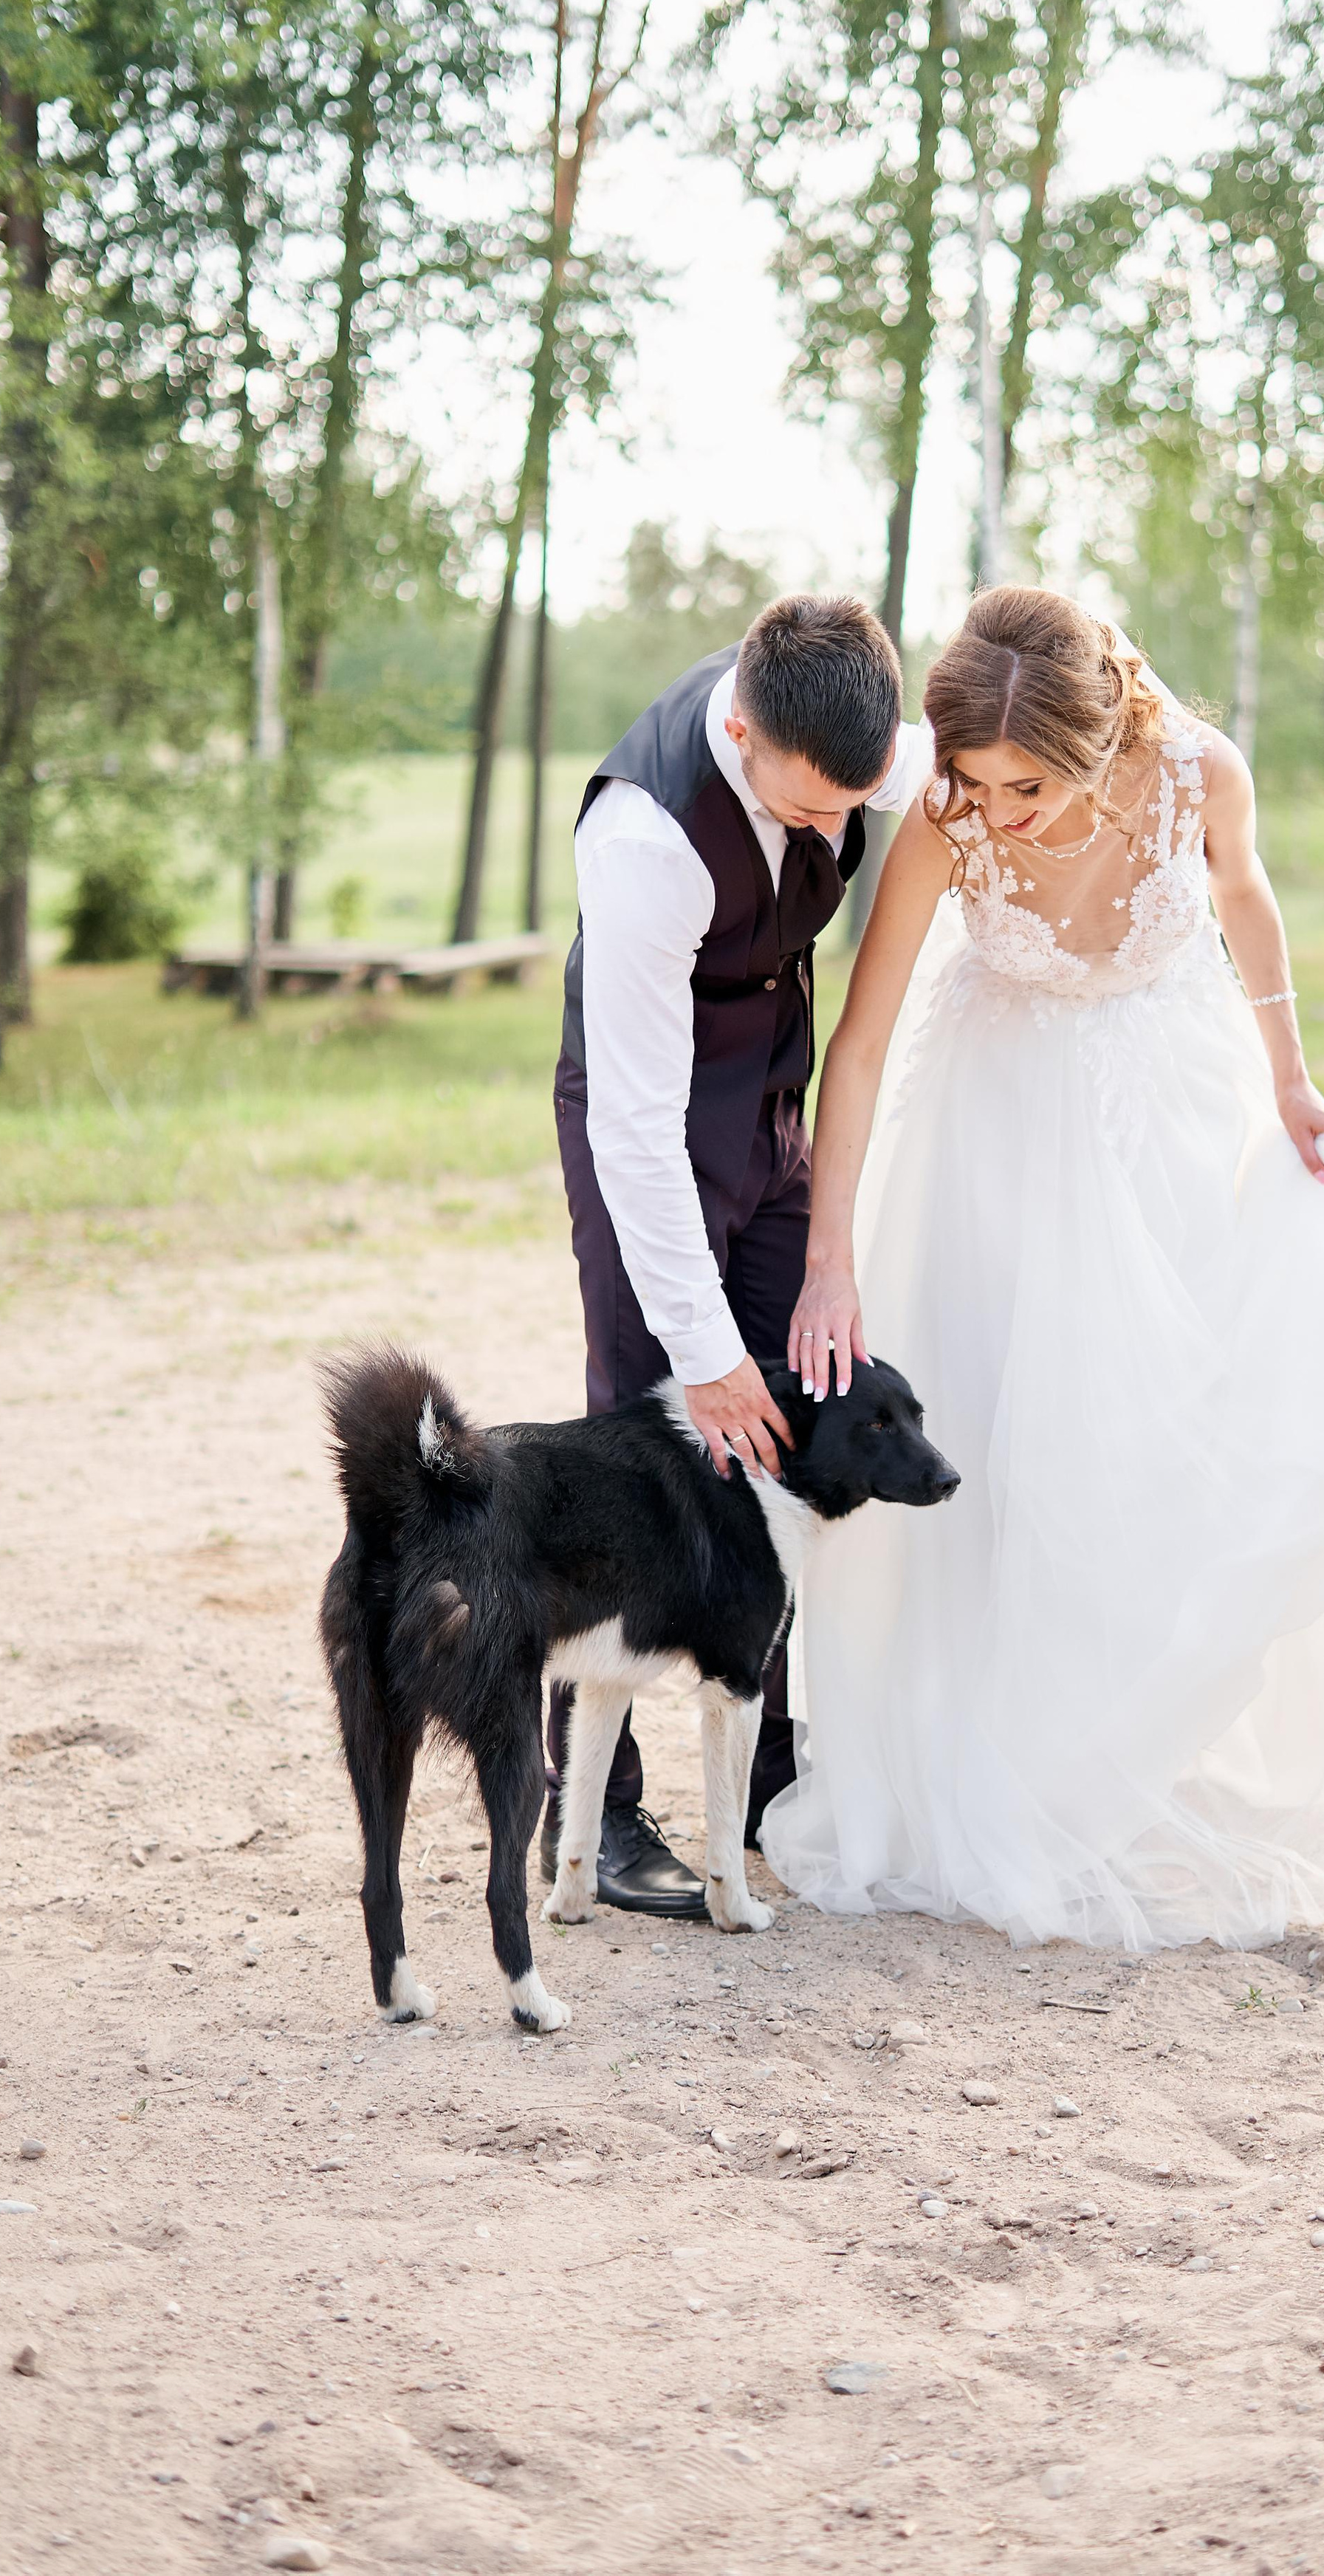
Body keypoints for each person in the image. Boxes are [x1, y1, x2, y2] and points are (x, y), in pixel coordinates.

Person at [766, 586, 1324, 1953]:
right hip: (999, 1139)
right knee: (1014, 1446)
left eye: (1025, 785)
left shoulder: (1200, 771)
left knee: (1185, 1418)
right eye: (975, 781)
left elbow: (1244, 903)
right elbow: (866, 1038)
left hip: (1167, 1114)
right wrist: (831, 1259)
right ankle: (1015, 1750)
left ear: (1099, 743)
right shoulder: (945, 821)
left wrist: (1294, 1081)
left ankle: (1132, 1732)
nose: (995, 813)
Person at [548, 592, 934, 1917]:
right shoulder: (645, 837)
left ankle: (765, 1761)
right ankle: (594, 1814)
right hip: (646, 1130)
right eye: (812, 808)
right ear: (745, 732)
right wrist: (706, 1361)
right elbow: (643, 1137)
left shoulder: (863, 739)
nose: (838, 834)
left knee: (801, 1423)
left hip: (774, 1117)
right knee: (643, 1451)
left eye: (855, 804)